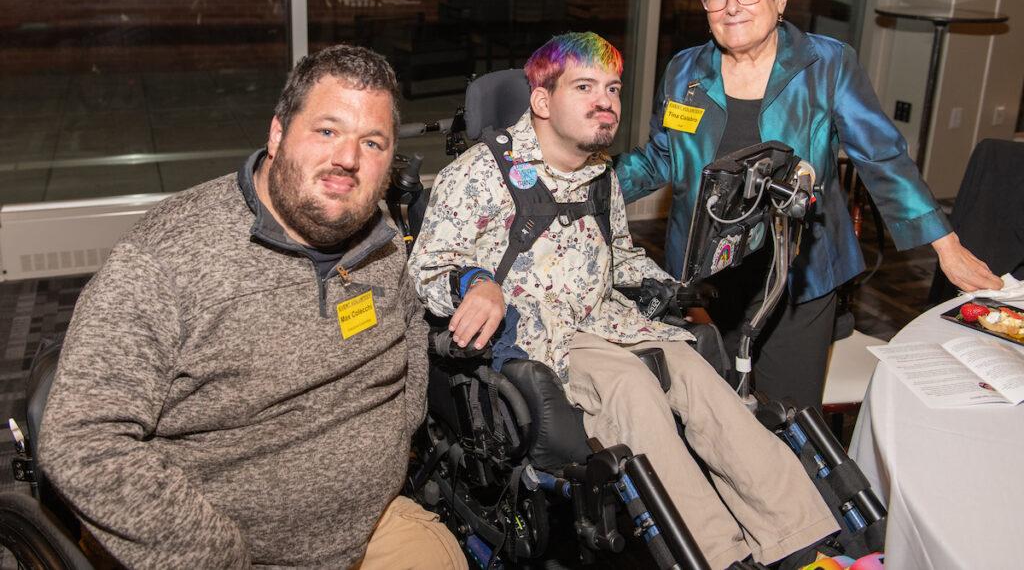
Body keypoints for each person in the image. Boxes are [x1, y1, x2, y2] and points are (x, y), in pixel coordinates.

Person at [407, 32, 838, 569]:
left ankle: (803, 539)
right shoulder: (477, 174)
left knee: (701, 379)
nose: (605, 100)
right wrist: (477, 282)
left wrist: (668, 285)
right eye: (584, 86)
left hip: (609, 319)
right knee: (632, 387)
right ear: (542, 101)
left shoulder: (601, 174)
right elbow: (425, 268)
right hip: (540, 337)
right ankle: (717, 556)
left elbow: (618, 258)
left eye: (612, 88)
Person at [39, 45, 466, 569]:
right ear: (278, 133)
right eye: (327, 131)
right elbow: (82, 439)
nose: (348, 160)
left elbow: (411, 326)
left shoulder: (379, 234)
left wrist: (397, 436)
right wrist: (216, 555)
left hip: (370, 527)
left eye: (371, 142)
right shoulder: (167, 259)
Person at [614, 0, 1002, 410]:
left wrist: (947, 246)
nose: (731, 6)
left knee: (788, 416)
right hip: (706, 275)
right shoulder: (685, 71)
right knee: (706, 413)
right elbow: (661, 157)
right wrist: (581, 183)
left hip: (798, 274)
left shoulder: (826, 64)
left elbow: (882, 156)